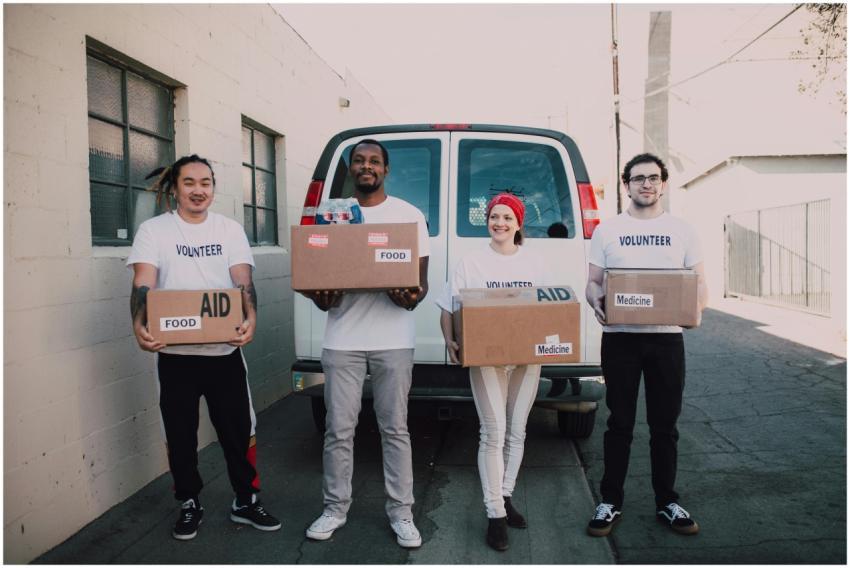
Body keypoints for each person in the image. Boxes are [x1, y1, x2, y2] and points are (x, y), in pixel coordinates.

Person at [127, 154, 281, 541]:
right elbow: (143, 282)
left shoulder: (229, 230)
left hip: (223, 353)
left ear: (213, 188)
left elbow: (242, 280)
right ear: (175, 188)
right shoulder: (154, 230)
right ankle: (189, 501)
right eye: (190, 182)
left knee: (238, 428)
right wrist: (138, 324)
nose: (199, 190)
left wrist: (251, 319)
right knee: (180, 433)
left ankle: (245, 499)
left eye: (206, 183)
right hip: (175, 355)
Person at [303, 139, 430, 548]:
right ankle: (334, 508)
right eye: (359, 160)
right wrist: (320, 295)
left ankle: (402, 513)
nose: (366, 166)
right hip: (342, 338)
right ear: (351, 169)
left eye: (374, 161)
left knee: (395, 429)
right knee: (339, 431)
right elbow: (318, 275)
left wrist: (407, 294)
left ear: (386, 169)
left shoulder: (408, 217)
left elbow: (419, 285)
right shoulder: (331, 215)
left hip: (393, 339)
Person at [584, 153, 708, 537]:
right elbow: (592, 282)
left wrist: (697, 312)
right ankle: (610, 502)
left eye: (653, 178)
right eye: (638, 178)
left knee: (664, 426)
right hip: (620, 340)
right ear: (627, 185)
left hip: (667, 339)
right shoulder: (608, 230)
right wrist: (596, 302)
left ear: (664, 184)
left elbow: (698, 282)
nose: (646, 184)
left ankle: (667, 501)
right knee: (619, 422)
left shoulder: (682, 230)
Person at [436, 193, 549, 552]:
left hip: (526, 359)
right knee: (493, 431)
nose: (499, 222)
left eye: (506, 217)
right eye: (493, 216)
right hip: (487, 358)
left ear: (518, 224)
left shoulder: (534, 263)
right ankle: (495, 514)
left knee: (517, 430)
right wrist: (451, 341)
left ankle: (505, 495)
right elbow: (449, 306)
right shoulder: (472, 262)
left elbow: (548, 309)